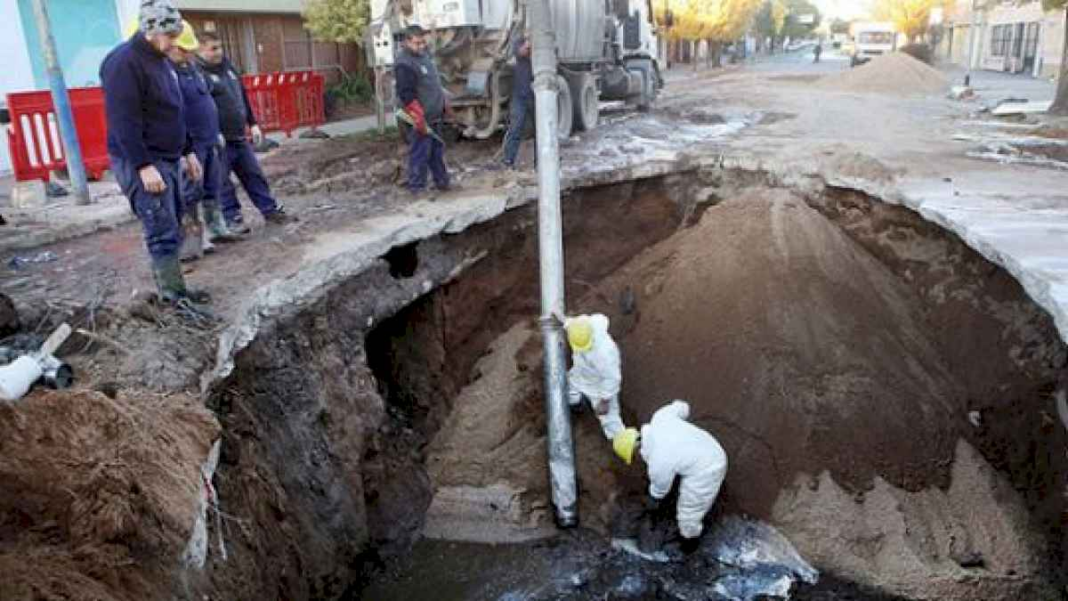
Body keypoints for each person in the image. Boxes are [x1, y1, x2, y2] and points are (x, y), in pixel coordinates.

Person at [101, 0, 209, 306]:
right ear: (151, 31)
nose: (174, 42)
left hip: (169, 158)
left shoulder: (161, 61)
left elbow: (174, 110)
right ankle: (173, 299)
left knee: (173, 225)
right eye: (170, 35)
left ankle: (177, 291)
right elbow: (123, 121)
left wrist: (188, 151)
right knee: (160, 228)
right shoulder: (124, 63)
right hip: (144, 161)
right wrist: (143, 165)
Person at [197, 32, 293, 232]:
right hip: (219, 140)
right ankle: (233, 218)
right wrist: (213, 132)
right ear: (200, 49)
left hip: (239, 136)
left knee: (254, 174)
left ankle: (270, 210)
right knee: (223, 182)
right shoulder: (199, 74)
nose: (219, 52)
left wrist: (253, 123)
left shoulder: (228, 68)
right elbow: (202, 109)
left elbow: (242, 96)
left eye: (220, 47)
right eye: (213, 48)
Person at [164, 21, 239, 260]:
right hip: (190, 145)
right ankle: (194, 237)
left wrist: (216, 132)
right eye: (183, 49)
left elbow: (206, 102)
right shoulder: (167, 74)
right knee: (190, 192)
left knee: (211, 186)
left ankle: (216, 228)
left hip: (208, 139)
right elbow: (174, 113)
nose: (187, 53)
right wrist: (184, 150)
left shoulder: (193, 69)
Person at [614, 400, 728, 550]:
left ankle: (689, 544)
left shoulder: (658, 461)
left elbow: (660, 490)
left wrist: (653, 503)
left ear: (634, 451)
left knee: (688, 515)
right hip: (710, 446)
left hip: (707, 470)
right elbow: (682, 407)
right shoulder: (660, 418)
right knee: (677, 467)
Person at [394, 25, 452, 196]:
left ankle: (442, 182)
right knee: (420, 152)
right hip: (418, 117)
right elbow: (406, 95)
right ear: (406, 42)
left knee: (436, 150)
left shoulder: (424, 56)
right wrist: (418, 116)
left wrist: (444, 101)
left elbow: (434, 82)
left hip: (434, 114)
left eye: (423, 43)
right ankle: (417, 187)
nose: (420, 47)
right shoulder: (404, 63)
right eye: (417, 43)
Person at [564, 314, 626, 443]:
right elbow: (569, 324)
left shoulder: (605, 353)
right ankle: (579, 406)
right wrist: (561, 319)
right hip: (580, 376)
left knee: (610, 421)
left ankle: (626, 445)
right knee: (569, 393)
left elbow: (612, 379)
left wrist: (605, 401)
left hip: (599, 387)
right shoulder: (579, 327)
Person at [501, 35, 533, 169]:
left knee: (542, 130)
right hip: (520, 94)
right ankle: (508, 161)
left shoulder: (545, 42)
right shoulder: (520, 41)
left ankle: (541, 162)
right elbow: (520, 52)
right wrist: (529, 44)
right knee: (515, 128)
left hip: (536, 95)